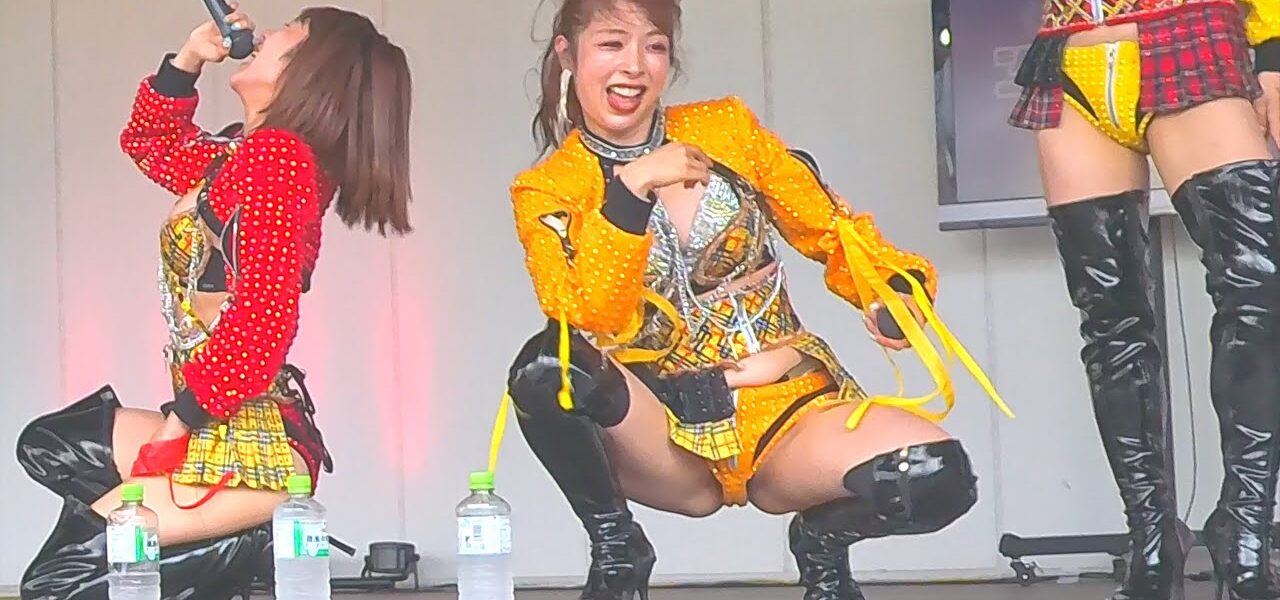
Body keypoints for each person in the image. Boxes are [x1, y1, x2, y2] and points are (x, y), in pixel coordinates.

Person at [502, 1, 1009, 598]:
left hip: (785, 411)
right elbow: (589, 317)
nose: (635, 66)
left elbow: (831, 229)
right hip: (663, 431)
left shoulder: (726, 129)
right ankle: (617, 549)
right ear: (568, 54)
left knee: (936, 476)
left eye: (654, 46)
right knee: (545, 365)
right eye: (612, 44)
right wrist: (632, 188)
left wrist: (889, 293)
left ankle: (822, 542)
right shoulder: (547, 190)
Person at [15, 4, 412, 599]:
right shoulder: (242, 155)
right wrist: (188, 60)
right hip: (219, 425)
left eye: (289, 31)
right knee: (54, 445)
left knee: (60, 580)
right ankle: (214, 551)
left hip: (249, 449)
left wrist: (178, 426)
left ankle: (237, 544)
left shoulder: (279, 162)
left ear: (308, 67)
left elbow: (262, 323)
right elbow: (150, 143)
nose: (266, 32)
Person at [1009, 1, 1280, 599]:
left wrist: (1274, 55)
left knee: (1258, 289)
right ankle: (1152, 534)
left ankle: (1246, 522)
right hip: (1071, 55)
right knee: (1109, 318)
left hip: (1188, 32)